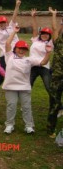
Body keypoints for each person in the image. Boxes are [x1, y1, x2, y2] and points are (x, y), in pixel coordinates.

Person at [2, 26, 52, 134]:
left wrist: (48, 53)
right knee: (11, 106)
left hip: (24, 87)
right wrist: (14, 32)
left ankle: (29, 126)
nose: (21, 50)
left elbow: (43, 62)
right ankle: (9, 125)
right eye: (19, 48)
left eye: (24, 49)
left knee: (26, 107)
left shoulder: (29, 60)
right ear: (15, 49)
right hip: (10, 86)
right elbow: (7, 44)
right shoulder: (9, 56)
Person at [30, 8, 55, 112]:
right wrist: (33, 17)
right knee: (27, 87)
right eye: (43, 33)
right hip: (32, 67)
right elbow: (35, 29)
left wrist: (53, 15)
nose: (45, 35)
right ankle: (25, 105)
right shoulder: (36, 40)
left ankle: (57, 108)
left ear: (49, 36)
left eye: (47, 34)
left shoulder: (50, 43)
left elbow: (55, 29)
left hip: (44, 67)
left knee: (49, 88)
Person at [46, 8, 63, 138]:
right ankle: (51, 129)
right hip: (57, 77)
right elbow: (54, 28)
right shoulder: (58, 42)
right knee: (54, 103)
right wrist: (54, 15)